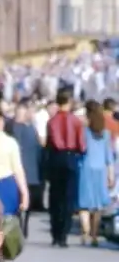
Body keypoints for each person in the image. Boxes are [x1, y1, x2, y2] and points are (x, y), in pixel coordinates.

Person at [45, 89, 86, 247]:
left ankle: (55, 233)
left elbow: (49, 142)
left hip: (56, 157)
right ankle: (64, 234)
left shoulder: (52, 121)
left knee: (55, 197)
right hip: (71, 157)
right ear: (69, 102)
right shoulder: (76, 121)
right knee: (69, 198)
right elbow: (82, 145)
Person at [78, 100, 115, 247]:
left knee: (84, 204)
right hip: (100, 170)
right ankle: (94, 234)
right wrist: (111, 174)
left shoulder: (84, 132)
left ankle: (85, 232)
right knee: (97, 205)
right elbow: (109, 157)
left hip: (85, 168)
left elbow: (81, 149)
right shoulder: (105, 133)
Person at [10, 98, 43, 235]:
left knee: (27, 199)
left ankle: (24, 224)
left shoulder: (31, 128)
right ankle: (19, 224)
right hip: (19, 169)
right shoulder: (15, 128)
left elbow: (37, 149)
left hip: (31, 169)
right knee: (19, 198)